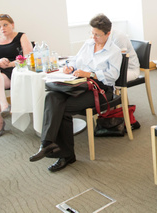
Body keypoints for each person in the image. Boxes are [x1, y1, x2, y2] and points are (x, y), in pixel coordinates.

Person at [29, 14, 122, 172]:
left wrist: (90, 74)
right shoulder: (88, 44)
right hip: (78, 84)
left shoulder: (114, 51)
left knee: (62, 108)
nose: (93, 37)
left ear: (108, 34)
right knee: (52, 95)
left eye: (97, 35)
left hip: (100, 90)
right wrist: (69, 67)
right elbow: (75, 60)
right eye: (92, 33)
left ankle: (65, 155)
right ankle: (47, 143)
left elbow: (112, 77)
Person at [0, 14, 33, 139]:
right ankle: (4, 105)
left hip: (14, 71)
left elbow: (29, 57)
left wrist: (10, 63)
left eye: (5, 25)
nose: (2, 28)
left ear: (12, 24)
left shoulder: (21, 36)